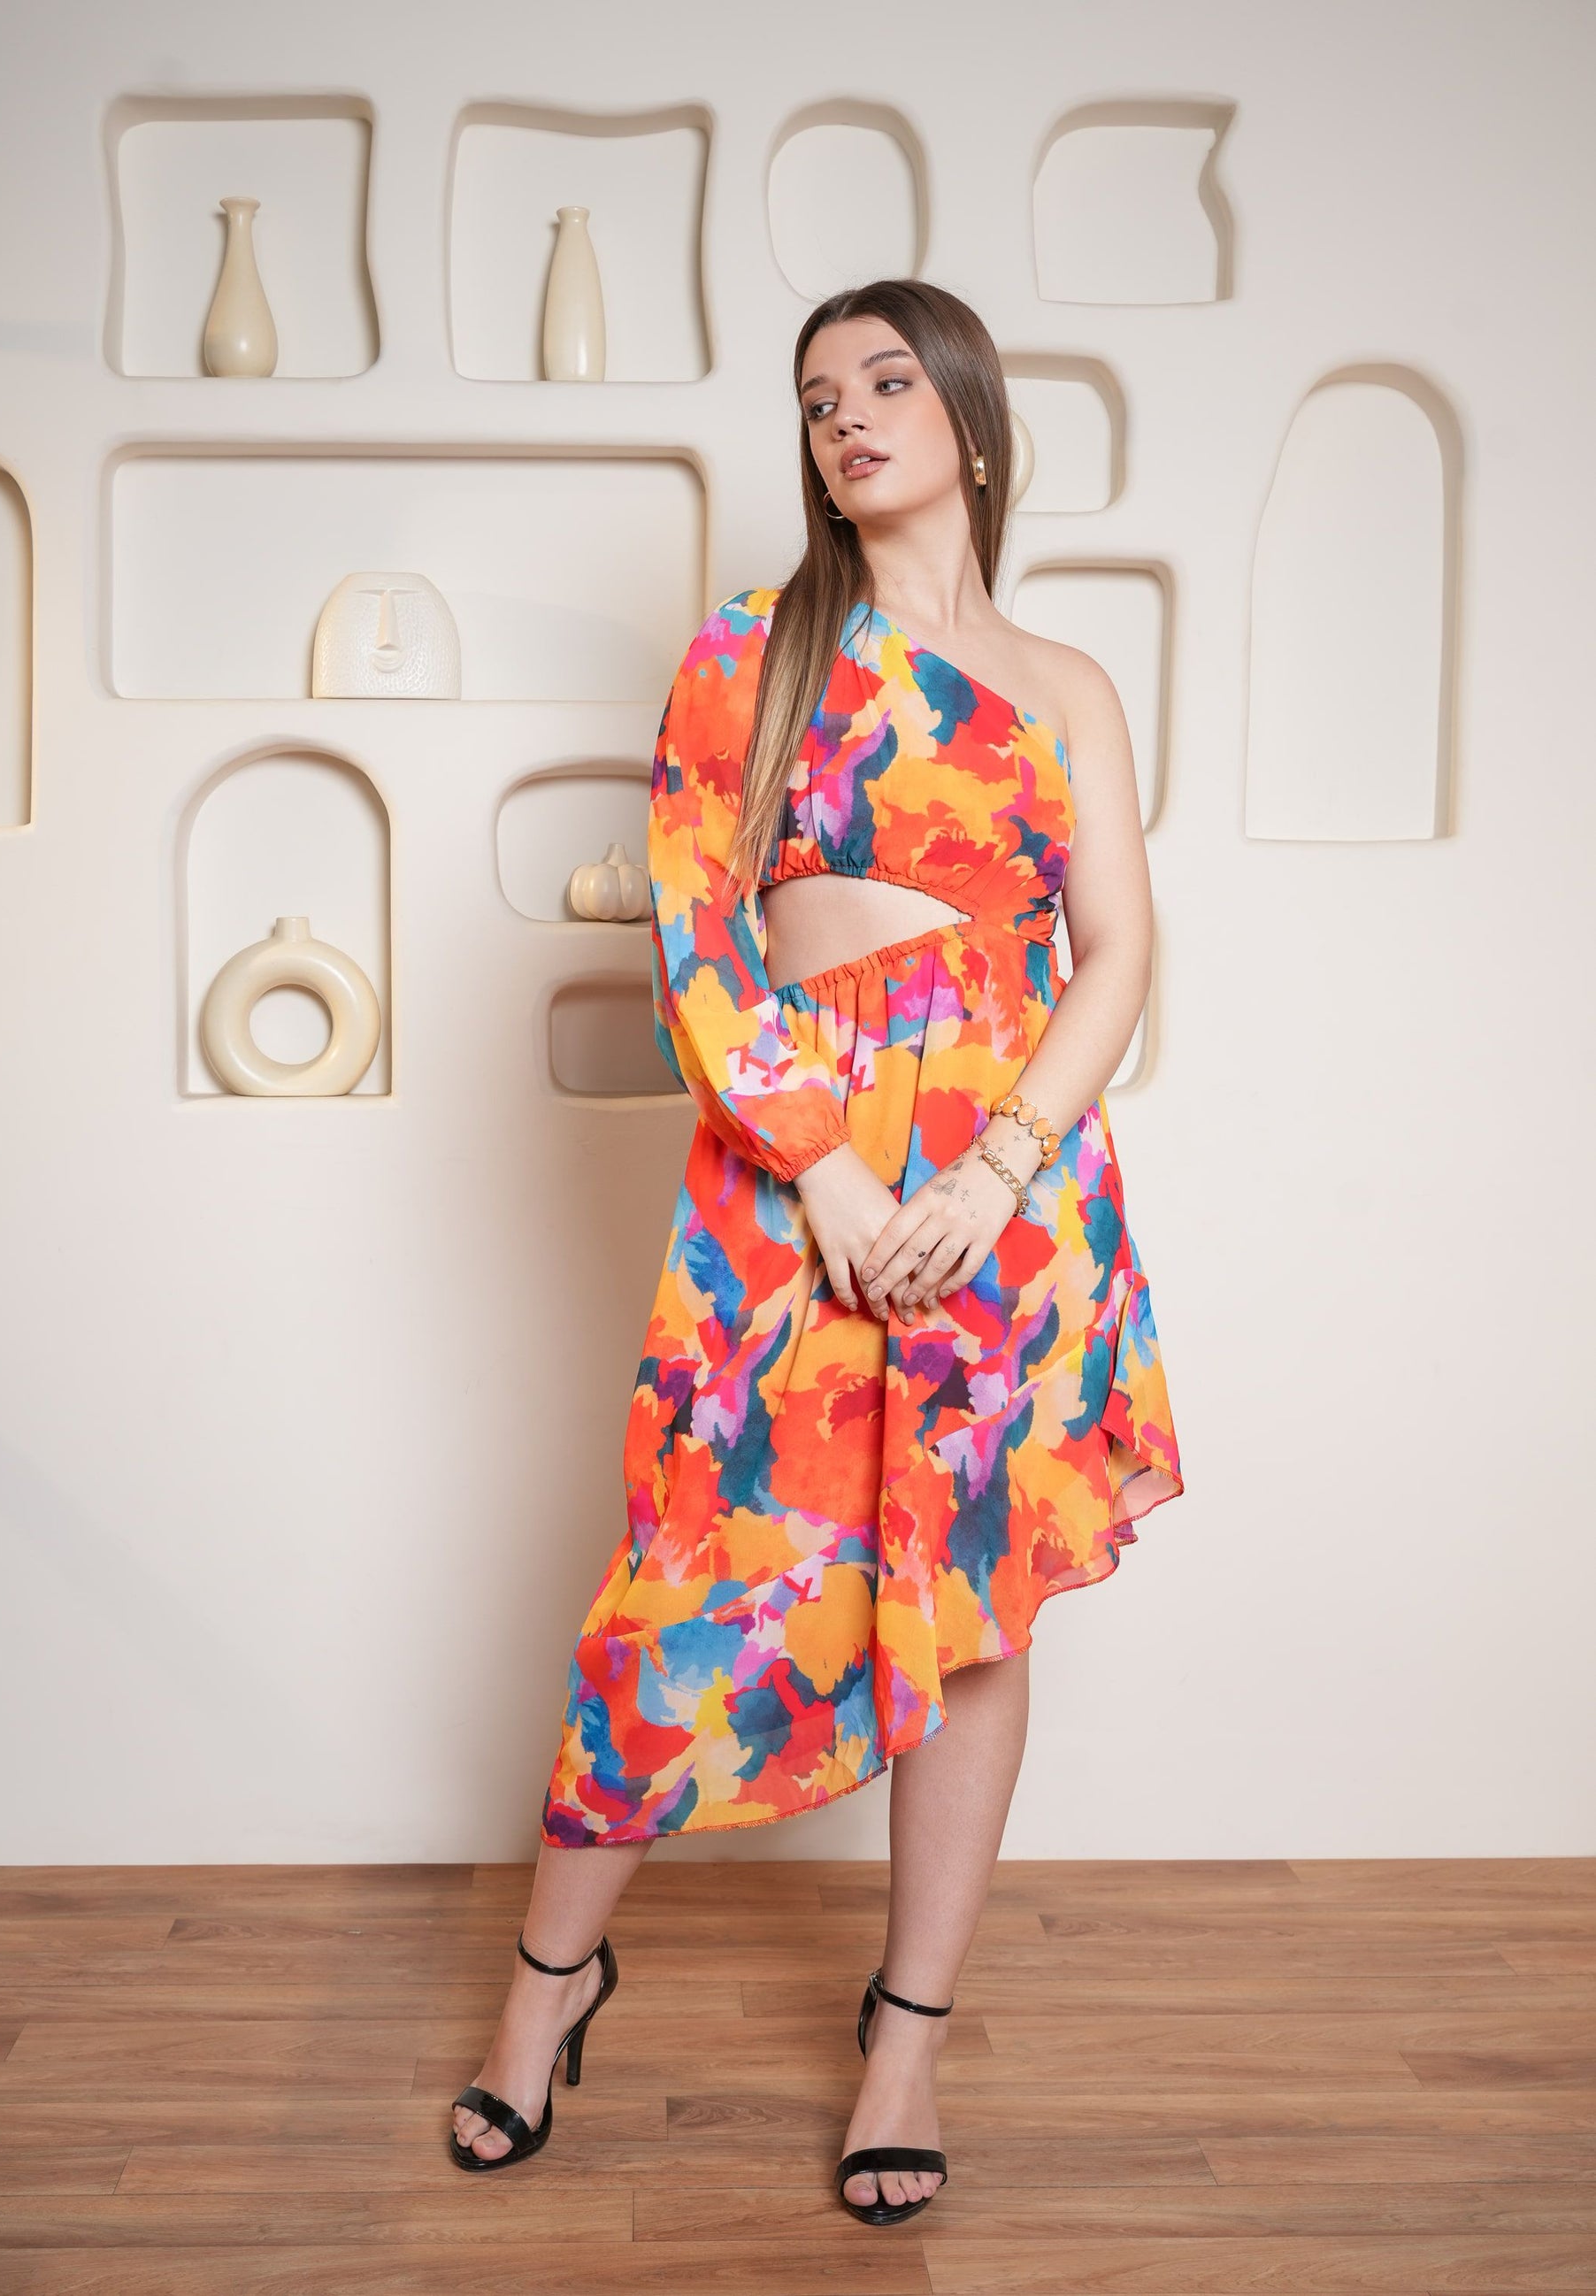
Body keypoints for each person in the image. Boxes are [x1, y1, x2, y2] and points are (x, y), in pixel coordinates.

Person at [449, 278, 1185, 2227]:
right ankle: (547, 1983)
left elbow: (1117, 952)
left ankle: (906, 2041)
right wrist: (827, 1178)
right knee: (684, 1580)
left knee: (973, 1607)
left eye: (882, 381)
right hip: (794, 1171)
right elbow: (695, 931)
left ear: (969, 420)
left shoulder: (1065, 686)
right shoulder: (754, 650)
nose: (845, 415)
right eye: (814, 398)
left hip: (1006, 1192)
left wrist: (997, 1173)